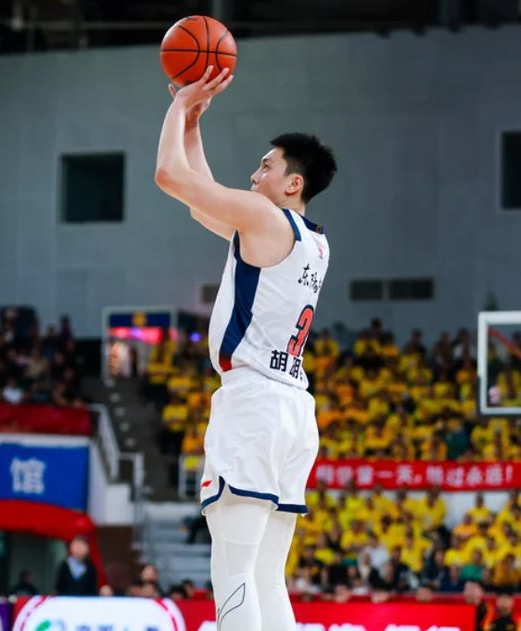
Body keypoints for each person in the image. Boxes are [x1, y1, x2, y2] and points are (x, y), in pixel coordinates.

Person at [156, 66, 337, 631]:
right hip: (293, 410)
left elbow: (168, 176)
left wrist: (179, 104)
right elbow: (200, 204)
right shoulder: (312, 241)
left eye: (266, 166)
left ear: (292, 183)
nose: (254, 175)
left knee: (233, 572)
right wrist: (192, 122)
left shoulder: (264, 217)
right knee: (265, 576)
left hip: (254, 402)